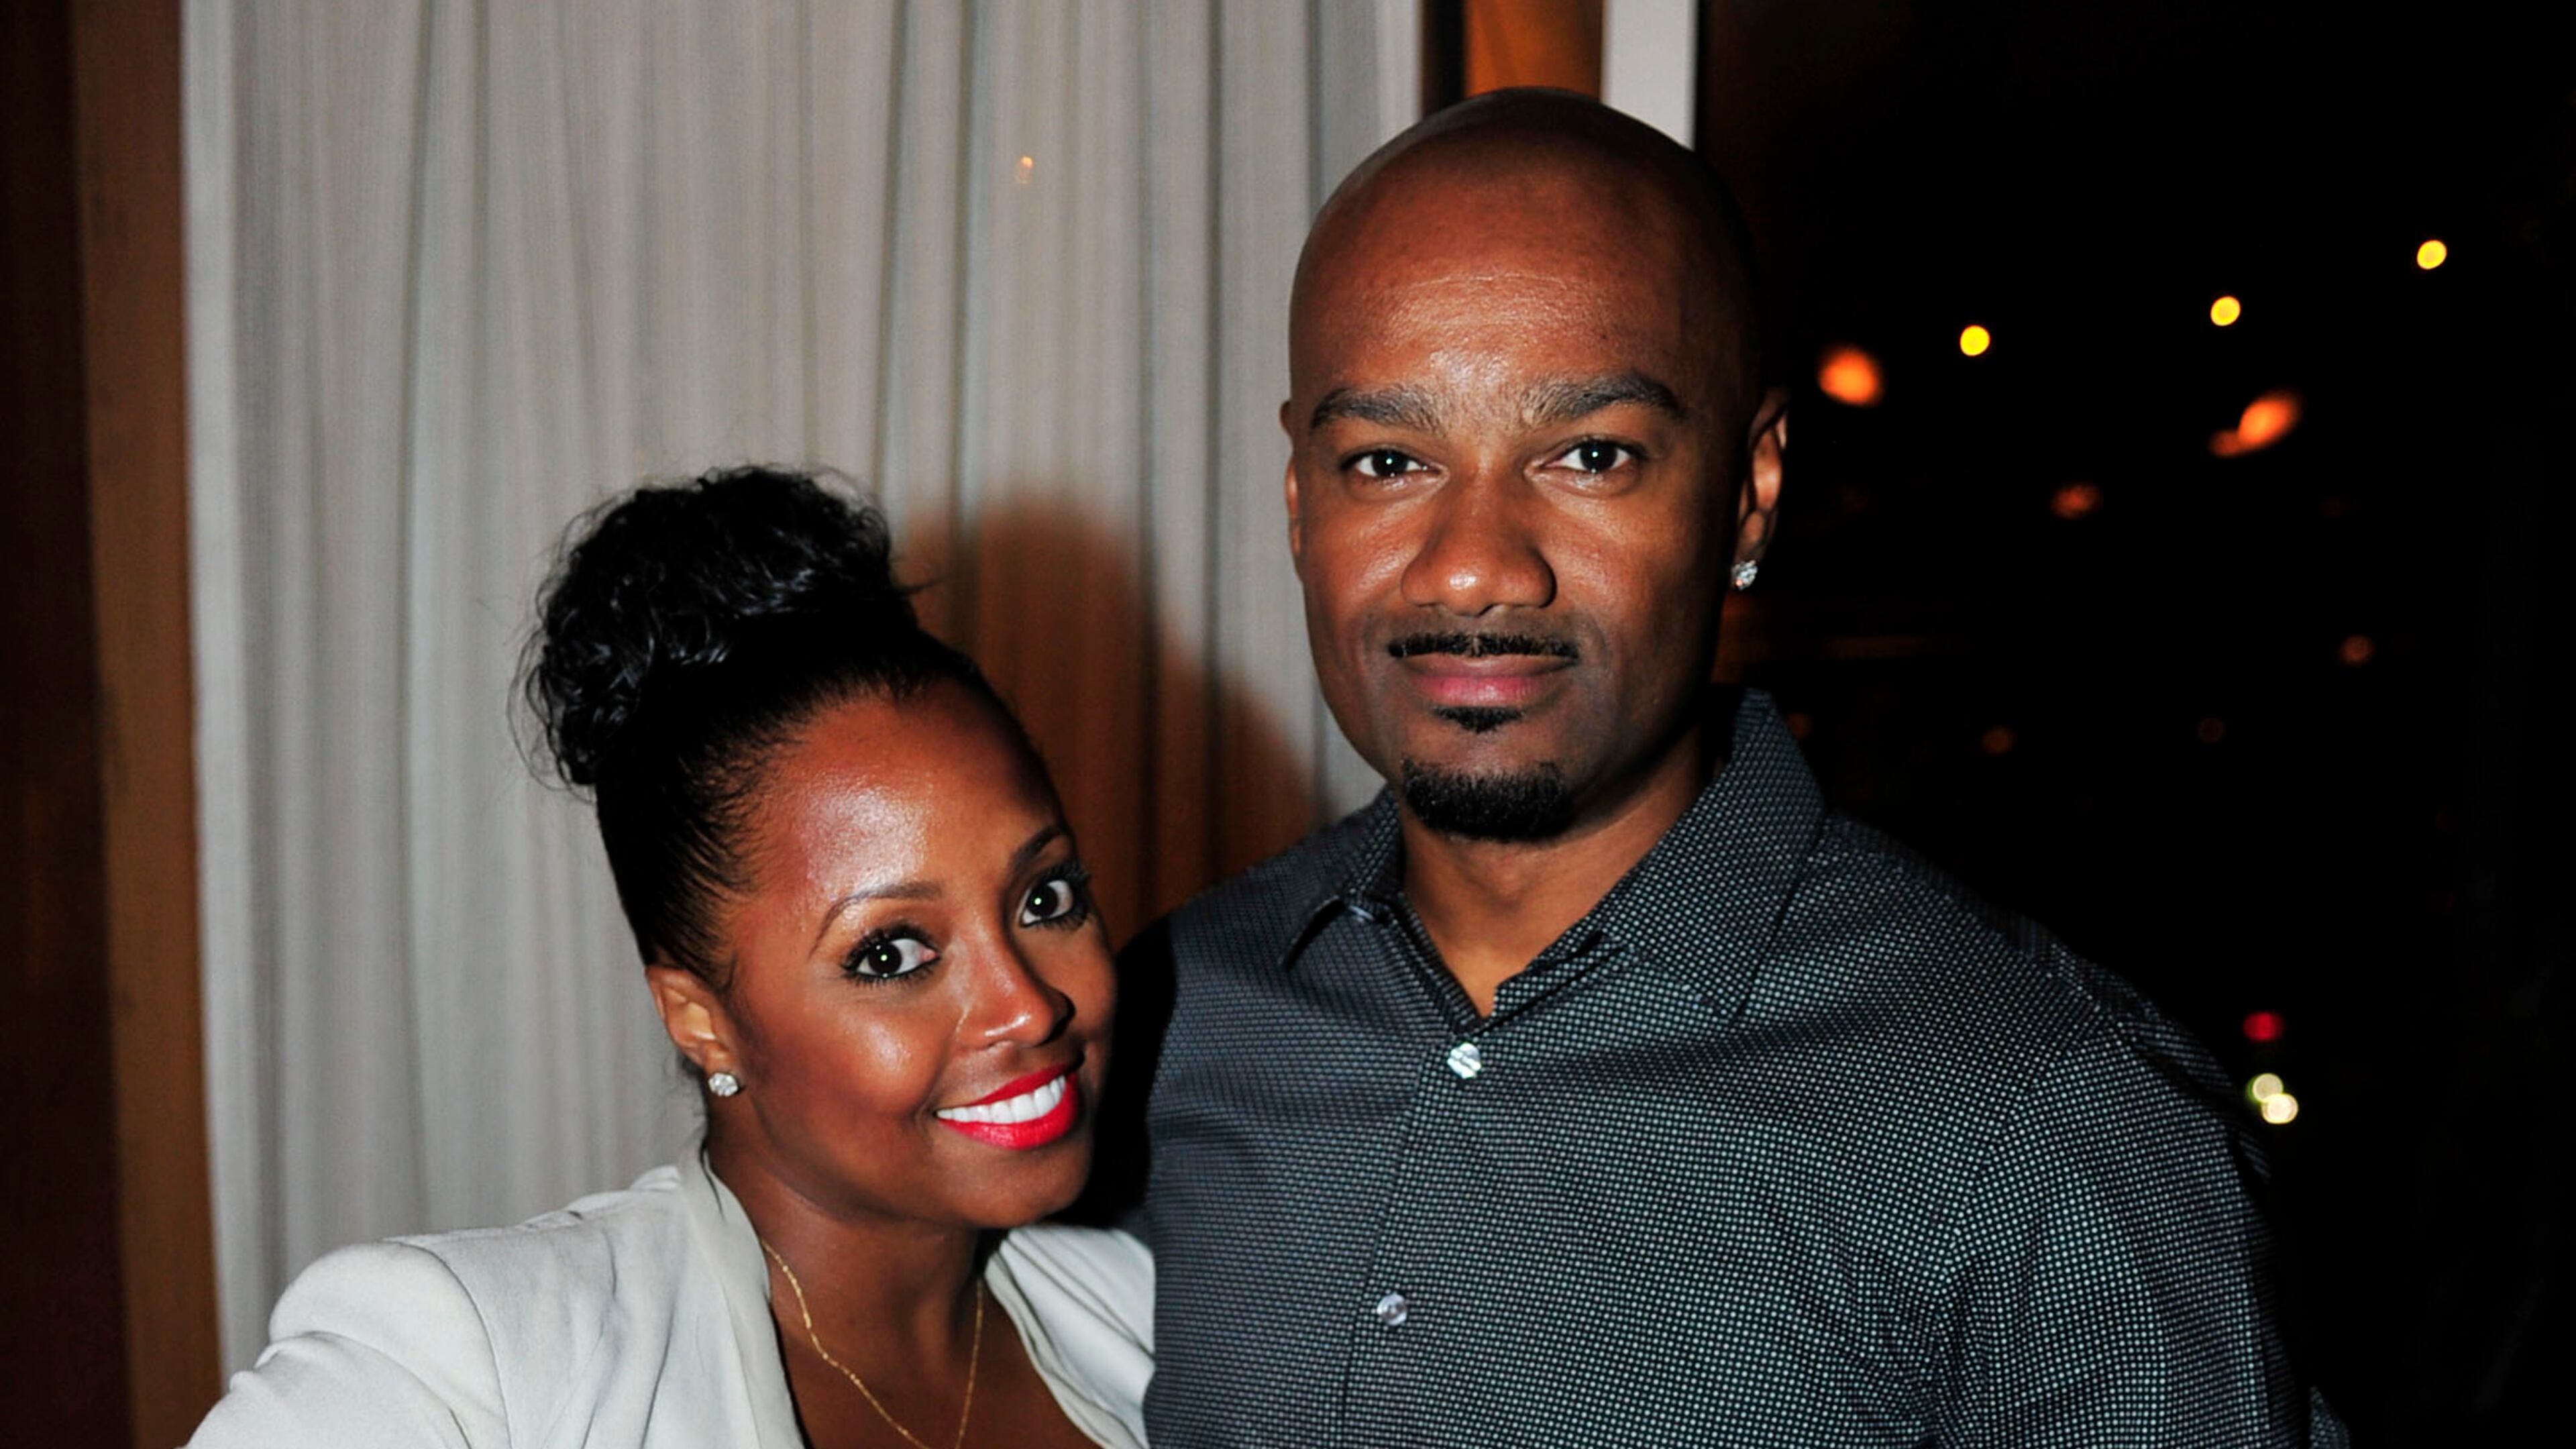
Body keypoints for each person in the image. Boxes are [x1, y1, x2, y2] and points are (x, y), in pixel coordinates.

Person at [1130, 89, 2347, 1445]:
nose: (1474, 560)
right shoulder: (1166, 1023)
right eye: (1387, 460)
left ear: (1751, 490)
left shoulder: (2051, 1127)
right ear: (1302, 500)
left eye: (1591, 455)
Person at [191, 470, 1150, 1448]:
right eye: (893, 953)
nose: (1027, 1006)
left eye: (1046, 899)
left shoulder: (1152, 1319)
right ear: (701, 1019)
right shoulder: (472, 1365)